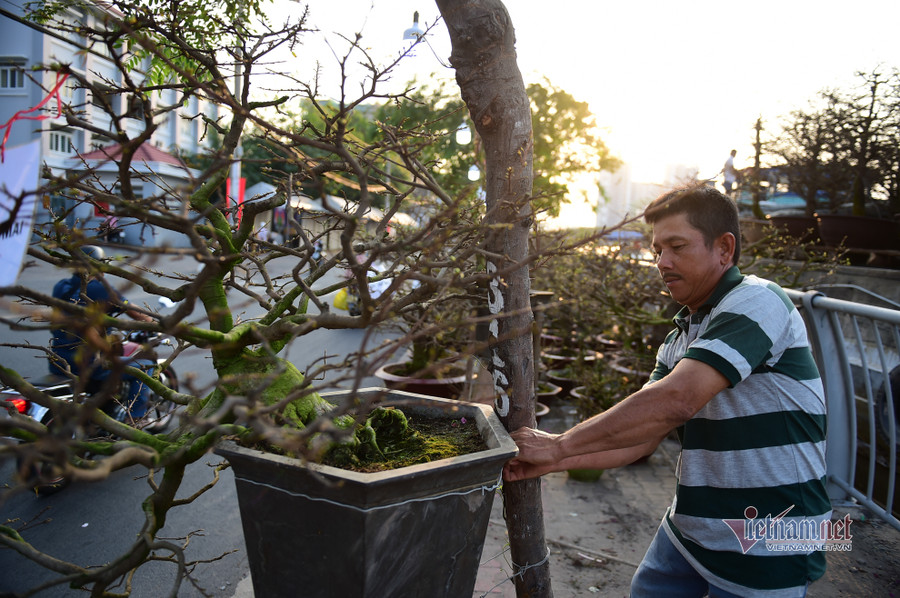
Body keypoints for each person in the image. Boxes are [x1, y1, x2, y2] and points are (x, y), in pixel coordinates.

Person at [504, 184, 830, 597]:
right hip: (691, 530)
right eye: (657, 249)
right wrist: (552, 461)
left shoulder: (758, 299)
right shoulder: (680, 337)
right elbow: (643, 439)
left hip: (767, 536)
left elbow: (677, 400)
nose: (662, 261)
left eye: (677, 246)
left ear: (724, 249)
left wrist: (559, 445)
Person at [49, 245, 155, 421]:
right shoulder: (99, 289)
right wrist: (153, 322)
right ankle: (136, 418)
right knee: (144, 367)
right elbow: (133, 311)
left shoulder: (61, 287)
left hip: (58, 362)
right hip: (89, 366)